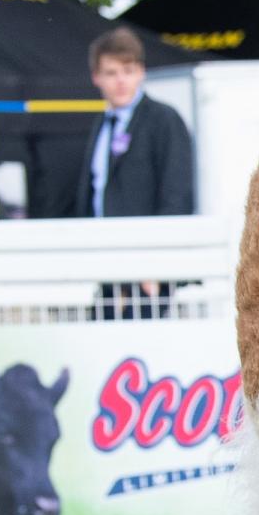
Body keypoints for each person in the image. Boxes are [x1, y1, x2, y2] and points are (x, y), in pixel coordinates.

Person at [76, 26, 195, 319]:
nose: (120, 81)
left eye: (128, 71)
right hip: (107, 262)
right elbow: (94, 194)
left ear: (140, 72)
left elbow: (176, 196)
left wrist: (154, 264)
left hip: (148, 268)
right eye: (111, 72)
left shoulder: (163, 120)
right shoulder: (102, 124)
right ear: (97, 77)